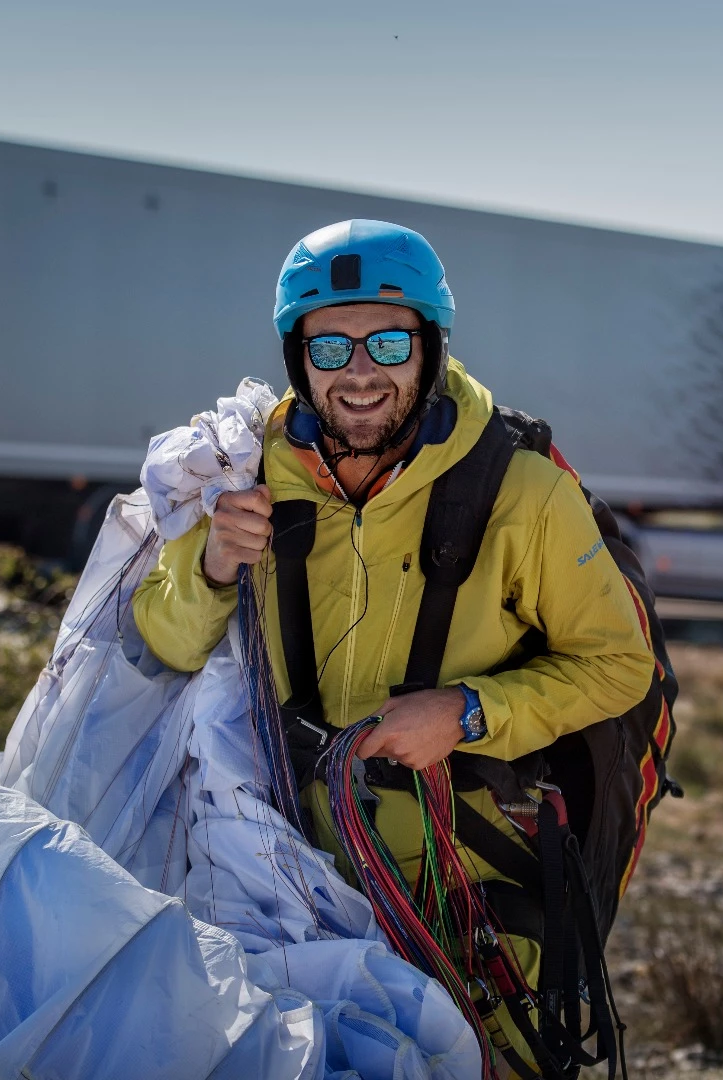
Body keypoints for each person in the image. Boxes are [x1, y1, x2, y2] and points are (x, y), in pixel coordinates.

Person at [132, 218, 656, 1071]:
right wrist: (214, 565)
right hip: (284, 875)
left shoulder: (521, 492)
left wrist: (470, 711)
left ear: (432, 347)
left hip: (463, 884)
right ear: (297, 357)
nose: (361, 373)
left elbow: (618, 666)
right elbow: (160, 644)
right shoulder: (247, 470)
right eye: (330, 348)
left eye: (389, 341)